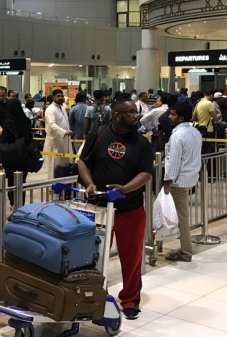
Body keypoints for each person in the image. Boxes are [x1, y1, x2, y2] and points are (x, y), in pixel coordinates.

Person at [78, 98, 153, 320]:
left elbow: (146, 173)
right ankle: (96, 296)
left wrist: (126, 189)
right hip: (99, 210)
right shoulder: (98, 134)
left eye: (136, 112)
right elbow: (83, 162)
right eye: (131, 112)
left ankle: (130, 299)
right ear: (117, 115)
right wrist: (89, 183)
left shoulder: (142, 143)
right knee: (95, 257)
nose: (136, 116)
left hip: (130, 209)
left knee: (132, 257)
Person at [163, 103, 202, 263]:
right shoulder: (195, 132)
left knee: (182, 217)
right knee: (182, 215)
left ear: (181, 118)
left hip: (179, 181)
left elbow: (174, 162)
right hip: (191, 177)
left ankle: (185, 252)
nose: (169, 117)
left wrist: (168, 182)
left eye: (172, 114)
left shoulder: (177, 136)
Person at [2, 98, 34, 207]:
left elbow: (5, 140)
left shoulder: (8, 122)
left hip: (12, 156)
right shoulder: (27, 121)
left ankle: (13, 205)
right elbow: (29, 138)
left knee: (11, 182)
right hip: (24, 156)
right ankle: (21, 205)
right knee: (22, 182)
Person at [42, 89, 74, 178]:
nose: (60, 98)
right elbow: (52, 125)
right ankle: (52, 184)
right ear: (53, 97)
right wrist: (64, 132)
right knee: (54, 164)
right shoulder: (50, 109)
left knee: (64, 164)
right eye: (58, 96)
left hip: (64, 139)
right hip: (55, 141)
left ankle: (62, 183)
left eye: (61, 96)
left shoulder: (62, 108)